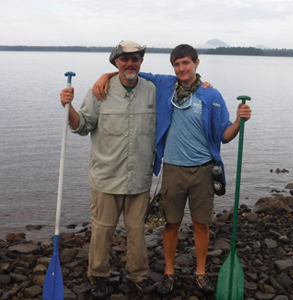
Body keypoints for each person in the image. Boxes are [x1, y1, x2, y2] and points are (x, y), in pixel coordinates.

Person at [92, 44, 252, 297]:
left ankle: (200, 273)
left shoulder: (212, 95)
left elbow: (224, 136)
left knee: (201, 225)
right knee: (171, 224)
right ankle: (168, 272)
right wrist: (104, 76)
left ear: (196, 63)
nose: (181, 68)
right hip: (173, 169)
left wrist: (239, 123)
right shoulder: (166, 85)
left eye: (186, 63)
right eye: (177, 64)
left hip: (203, 170)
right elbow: (131, 72)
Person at [60, 40, 158, 299]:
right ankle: (98, 275)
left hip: (140, 178)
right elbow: (81, 126)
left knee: (137, 232)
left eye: (135, 59)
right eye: (124, 59)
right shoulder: (98, 91)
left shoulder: (152, 90)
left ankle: (138, 275)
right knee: (102, 231)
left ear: (141, 62)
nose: (130, 63)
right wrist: (68, 108)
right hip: (106, 177)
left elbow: (184, 82)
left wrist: (204, 84)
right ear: (115, 61)